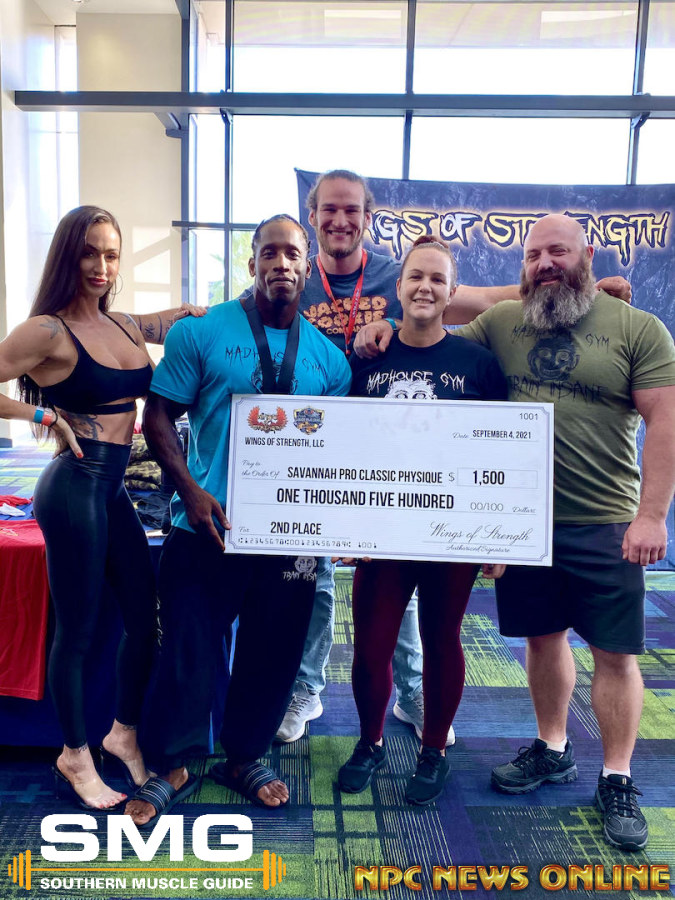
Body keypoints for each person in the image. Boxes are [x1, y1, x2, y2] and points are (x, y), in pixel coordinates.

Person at [274, 170, 632, 747]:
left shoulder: (393, 272)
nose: (340, 220)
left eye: (352, 210)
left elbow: (486, 299)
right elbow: (251, 312)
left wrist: (586, 289)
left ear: (368, 218)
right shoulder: (292, 272)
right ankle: (307, 689)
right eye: (329, 210)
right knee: (315, 589)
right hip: (330, 449)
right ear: (312, 215)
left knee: (416, 609)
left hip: (414, 477)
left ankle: (414, 692)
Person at [354, 214, 675, 849]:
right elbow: (434, 319)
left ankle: (617, 776)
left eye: (559, 251)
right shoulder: (501, 324)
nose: (545, 263)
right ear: (522, 265)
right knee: (543, 640)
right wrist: (385, 324)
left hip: (605, 519)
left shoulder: (637, 328)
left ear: (588, 255)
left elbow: (665, 419)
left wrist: (652, 515)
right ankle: (553, 748)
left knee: (615, 653)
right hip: (522, 521)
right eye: (533, 255)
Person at [125, 214, 351, 822]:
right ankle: (173, 762)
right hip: (206, 524)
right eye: (268, 253)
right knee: (188, 647)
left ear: (308, 266)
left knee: (274, 649)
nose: (281, 263)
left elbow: (338, 451)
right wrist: (192, 492)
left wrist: (341, 522)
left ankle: (244, 756)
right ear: (251, 263)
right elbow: (157, 416)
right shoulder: (200, 333)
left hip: (290, 532)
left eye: (292, 254)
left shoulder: (330, 361)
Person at [0, 205, 204, 810]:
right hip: (73, 489)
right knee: (79, 630)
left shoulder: (122, 324)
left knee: (144, 617)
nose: (101, 265)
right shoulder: (47, 331)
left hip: (112, 490)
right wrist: (42, 414)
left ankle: (122, 733)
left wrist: (214, 312)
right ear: (68, 254)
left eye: (111, 254)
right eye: (89, 251)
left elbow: (177, 316)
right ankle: (75, 754)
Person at [337, 236, 508, 806]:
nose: (426, 288)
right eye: (416, 276)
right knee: (371, 646)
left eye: (438, 279)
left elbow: (505, 454)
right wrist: (341, 524)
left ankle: (433, 749)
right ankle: (370, 742)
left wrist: (501, 537)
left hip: (451, 535)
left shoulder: (479, 365)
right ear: (399, 286)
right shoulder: (367, 361)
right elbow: (344, 447)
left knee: (442, 638)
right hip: (382, 533)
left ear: (452, 292)